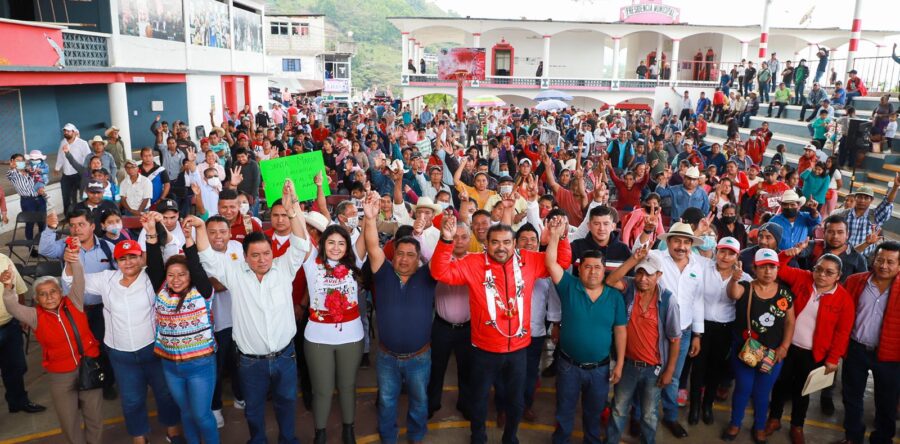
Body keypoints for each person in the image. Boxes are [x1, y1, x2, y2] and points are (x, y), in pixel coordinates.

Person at [431, 212, 572, 444]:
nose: (501, 247)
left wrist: (562, 237)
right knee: (478, 399)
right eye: (494, 242)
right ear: (486, 243)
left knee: (515, 402)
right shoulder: (473, 262)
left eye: (506, 242)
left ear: (514, 243)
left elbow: (561, 263)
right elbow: (440, 272)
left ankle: (510, 437)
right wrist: (446, 240)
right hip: (484, 349)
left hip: (518, 350)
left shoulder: (529, 260)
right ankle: (478, 437)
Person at [197, 179, 308, 444]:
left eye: (266, 253)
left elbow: (301, 243)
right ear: (244, 256)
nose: (262, 259)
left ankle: (287, 440)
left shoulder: (284, 267)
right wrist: (201, 226)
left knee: (286, 404)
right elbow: (207, 256)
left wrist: (292, 208)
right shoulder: (234, 273)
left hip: (285, 357)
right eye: (255, 255)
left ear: (273, 253)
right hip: (250, 362)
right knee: (254, 411)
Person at [64, 238, 184, 444]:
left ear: (141, 258)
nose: (128, 263)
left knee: (165, 394)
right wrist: (69, 261)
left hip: (153, 350)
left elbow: (171, 254)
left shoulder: (151, 277)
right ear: (116, 261)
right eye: (122, 258)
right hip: (121, 354)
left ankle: (172, 431)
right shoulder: (106, 279)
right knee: (131, 400)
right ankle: (139, 437)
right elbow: (71, 281)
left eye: (133, 257)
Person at [361, 191, 436, 444]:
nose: (404, 259)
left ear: (419, 259)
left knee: (419, 400)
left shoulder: (427, 277)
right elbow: (372, 246)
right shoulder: (383, 274)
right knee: (386, 400)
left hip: (419, 358)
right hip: (386, 358)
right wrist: (370, 218)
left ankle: (416, 436)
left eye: (411, 255)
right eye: (400, 253)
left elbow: (442, 257)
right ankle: (388, 437)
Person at [544, 216, 626, 443]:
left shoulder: (614, 296)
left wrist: (618, 363)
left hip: (599, 370)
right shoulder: (569, 286)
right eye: (587, 267)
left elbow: (620, 331)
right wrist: (554, 236)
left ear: (604, 271)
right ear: (579, 270)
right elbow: (551, 263)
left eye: (597, 268)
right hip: (569, 365)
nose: (592, 272)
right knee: (564, 410)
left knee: (594, 413)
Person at [765, 245, 854, 444]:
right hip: (787, 346)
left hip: (814, 353)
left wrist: (833, 359)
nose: (822, 275)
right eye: (819, 269)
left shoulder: (844, 300)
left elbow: (842, 333)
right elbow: (777, 267)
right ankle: (774, 419)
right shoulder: (803, 278)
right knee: (780, 384)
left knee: (802, 392)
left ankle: (797, 425)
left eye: (829, 272)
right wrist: (785, 255)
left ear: (838, 275)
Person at [142, 212, 219, 444]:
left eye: (182, 275)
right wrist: (151, 233)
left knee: (202, 414)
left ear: (191, 276)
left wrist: (189, 240)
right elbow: (154, 263)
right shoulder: (161, 289)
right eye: (171, 274)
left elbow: (196, 266)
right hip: (170, 365)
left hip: (200, 365)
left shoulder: (202, 291)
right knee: (185, 413)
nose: (176, 279)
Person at [2, 264, 100, 444]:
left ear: (61, 292)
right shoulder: (34, 316)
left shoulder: (75, 302)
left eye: (53, 291)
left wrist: (74, 259)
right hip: (60, 376)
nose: (49, 297)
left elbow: (79, 279)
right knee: (69, 420)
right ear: (36, 299)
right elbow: (12, 307)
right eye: (43, 294)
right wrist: (8, 287)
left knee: (93, 416)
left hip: (88, 366)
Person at [605, 248, 682, 444]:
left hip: (653, 369)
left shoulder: (668, 302)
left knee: (649, 415)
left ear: (659, 275)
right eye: (639, 272)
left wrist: (669, 371)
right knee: (619, 409)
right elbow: (610, 280)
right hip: (628, 365)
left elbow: (675, 339)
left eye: (649, 274)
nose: (643, 278)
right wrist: (633, 260)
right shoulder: (630, 287)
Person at [722, 249, 795, 443]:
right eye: (763, 267)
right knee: (743, 388)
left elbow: (789, 322)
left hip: (773, 353)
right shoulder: (746, 287)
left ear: (778, 269)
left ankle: (759, 426)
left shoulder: (785, 294)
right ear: (754, 268)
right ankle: (736, 423)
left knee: (763, 393)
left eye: (772, 267)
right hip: (745, 350)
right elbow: (733, 293)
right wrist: (733, 279)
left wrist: (785, 347)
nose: (768, 271)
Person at [838, 241, 900, 444]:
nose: (883, 265)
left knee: (886, 403)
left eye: (890, 262)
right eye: (880, 260)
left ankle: (882, 439)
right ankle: (852, 437)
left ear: (899, 266)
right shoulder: (855, 281)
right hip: (856, 349)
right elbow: (840, 312)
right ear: (872, 259)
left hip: (890, 356)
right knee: (851, 397)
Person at [688, 237, 749, 425]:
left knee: (716, 369)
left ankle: (708, 405)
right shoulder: (703, 266)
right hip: (701, 326)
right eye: (722, 251)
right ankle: (695, 406)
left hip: (724, 328)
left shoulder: (745, 278)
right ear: (716, 251)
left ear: (737, 256)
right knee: (698, 368)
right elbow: (687, 248)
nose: (725, 257)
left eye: (731, 253)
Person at [831, 177, 899, 258]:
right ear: (855, 198)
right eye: (859, 197)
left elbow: (887, 202)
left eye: (866, 198)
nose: (862, 200)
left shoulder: (875, 215)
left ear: (872, 200)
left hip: (865, 258)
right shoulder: (842, 214)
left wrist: (895, 186)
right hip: (844, 255)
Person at [56, 123, 91, 215]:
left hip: (79, 174)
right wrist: (57, 168)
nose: (66, 132)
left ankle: (86, 215)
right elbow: (60, 155)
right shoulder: (63, 142)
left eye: (68, 131)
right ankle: (68, 217)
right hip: (66, 176)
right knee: (66, 198)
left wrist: (87, 174)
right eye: (65, 131)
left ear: (74, 132)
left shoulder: (83, 143)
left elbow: (88, 158)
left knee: (84, 195)